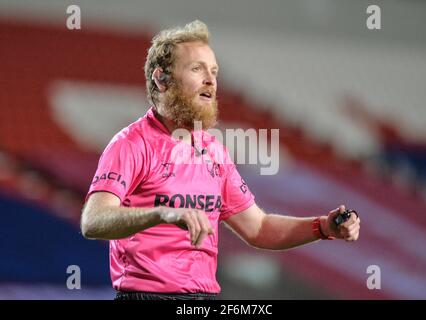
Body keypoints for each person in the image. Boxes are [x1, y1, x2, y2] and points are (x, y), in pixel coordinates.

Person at [81, 20, 361, 300]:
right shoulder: (131, 143)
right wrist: (162, 213)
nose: (210, 80)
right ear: (161, 79)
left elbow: (259, 228)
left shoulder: (214, 151)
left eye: (213, 71)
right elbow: (93, 221)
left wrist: (323, 227)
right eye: (197, 68)